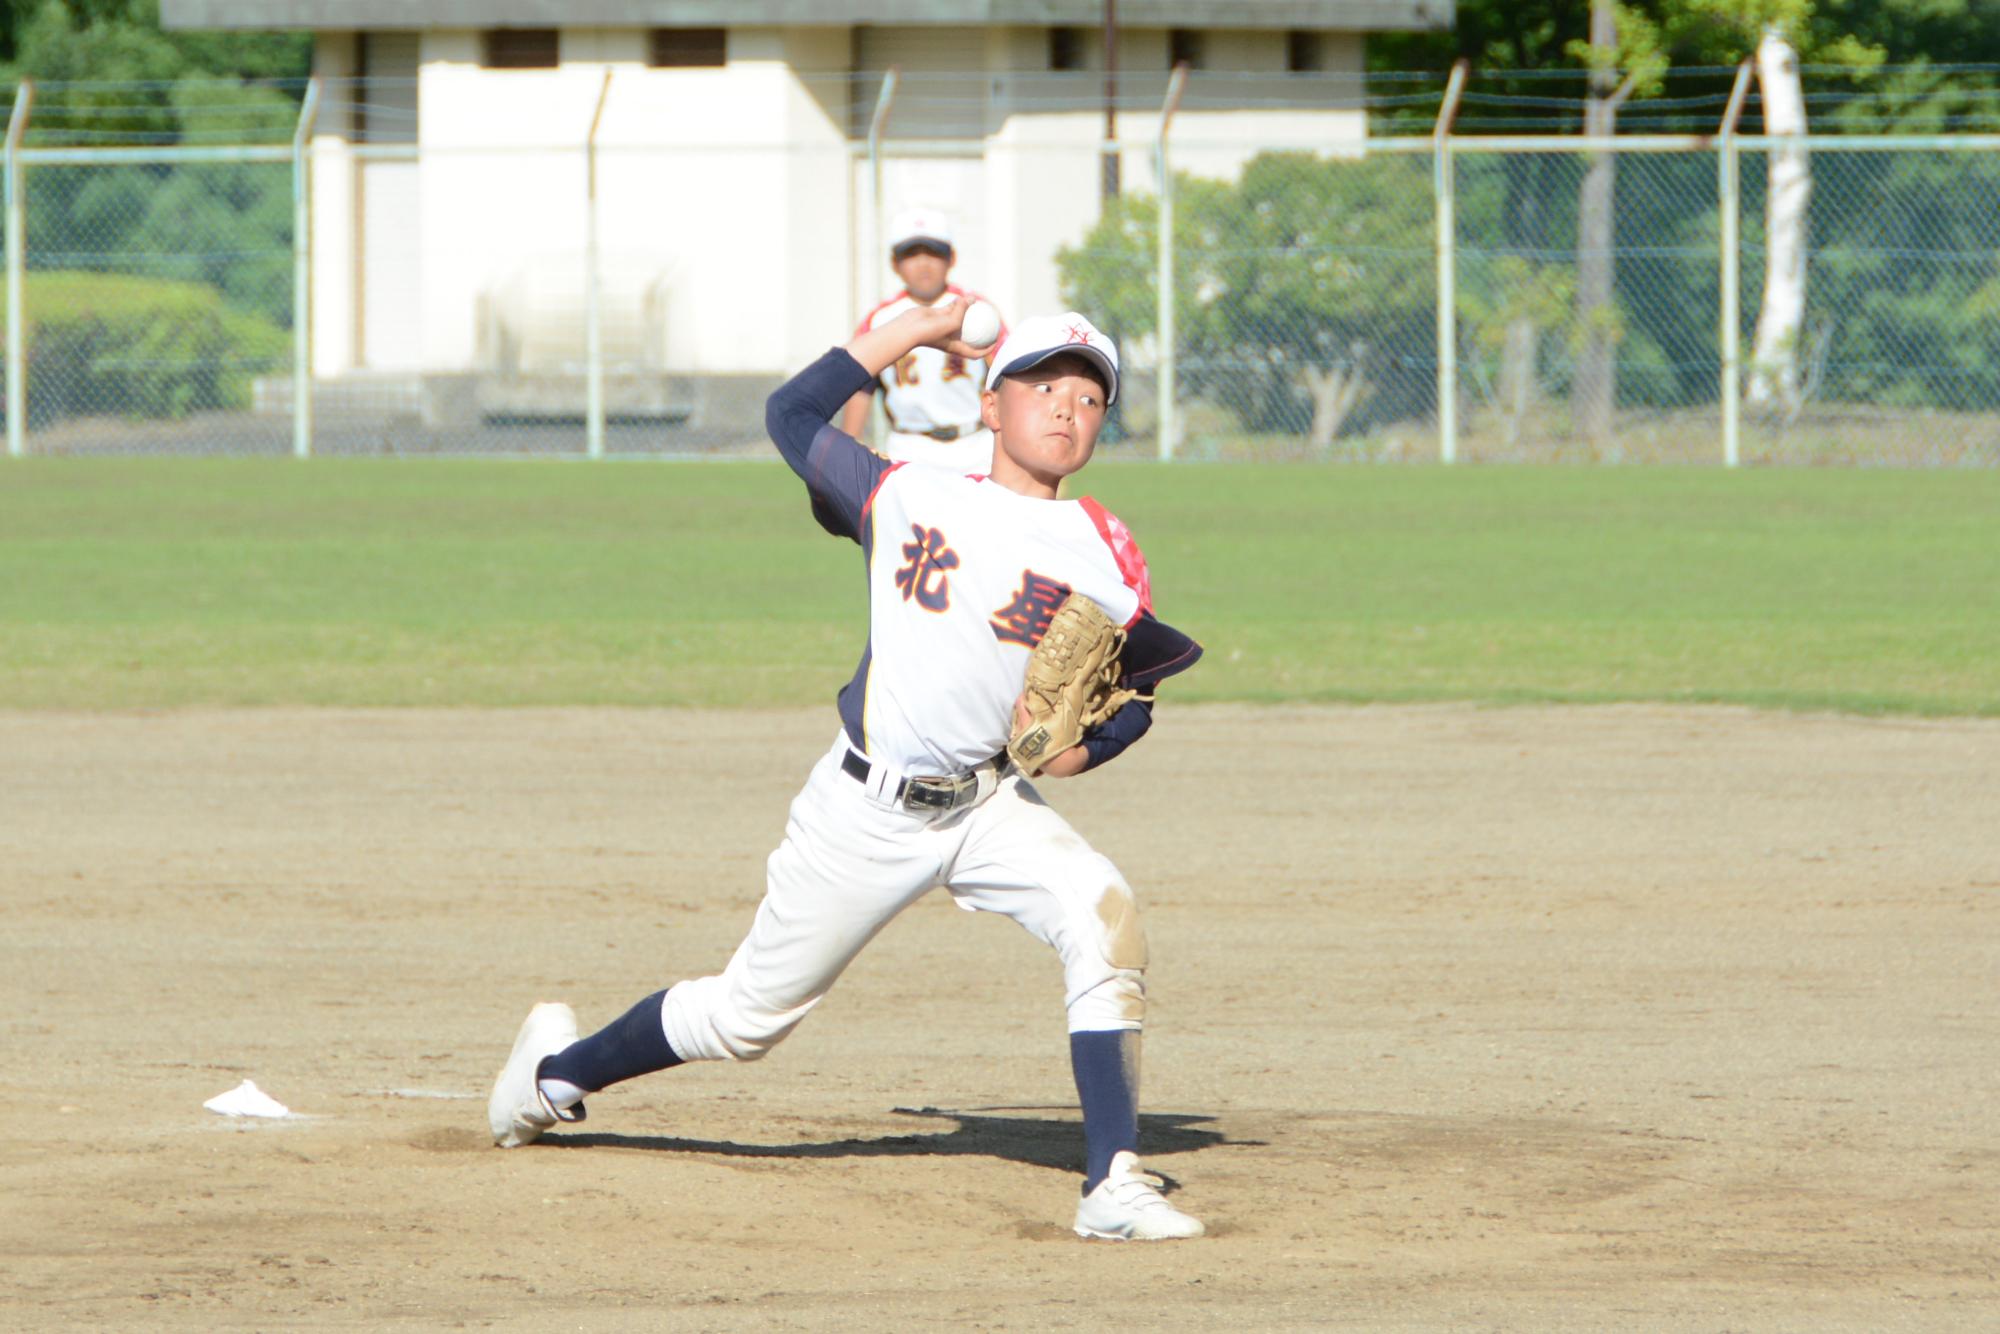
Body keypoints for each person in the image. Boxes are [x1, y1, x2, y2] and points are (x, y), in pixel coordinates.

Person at [488, 297, 1207, 1242]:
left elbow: (1137, 689)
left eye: (1089, 395)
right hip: (866, 810)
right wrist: (907, 333)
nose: (1068, 408)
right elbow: (790, 417)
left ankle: (1111, 1183)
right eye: (1041, 386)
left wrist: (1084, 749)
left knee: (1105, 918)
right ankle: (550, 1078)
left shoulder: (1106, 548)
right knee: (746, 1020)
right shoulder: (906, 491)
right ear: (992, 407)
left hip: (990, 805)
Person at [839, 208, 1006, 472]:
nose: (923, 263)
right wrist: (845, 456)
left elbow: (1011, 380)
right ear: (895, 263)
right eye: (911, 254)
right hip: (908, 447)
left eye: (934, 252)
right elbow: (860, 387)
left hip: (976, 444)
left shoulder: (978, 311)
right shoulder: (879, 319)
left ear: (951, 258)